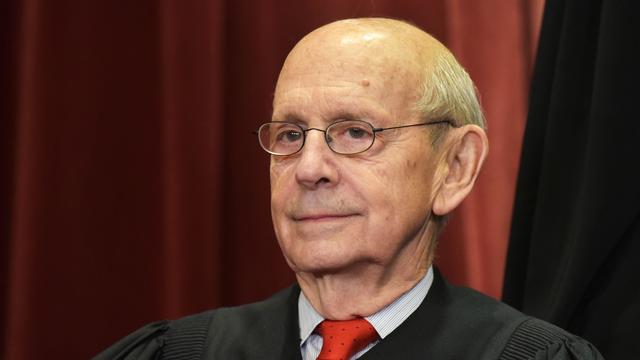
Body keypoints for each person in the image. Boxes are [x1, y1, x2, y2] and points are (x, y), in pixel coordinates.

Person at [95, 18, 604, 360]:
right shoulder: (180, 353)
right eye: (291, 135)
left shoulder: (529, 355)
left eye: (356, 132)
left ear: (453, 167)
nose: (309, 168)